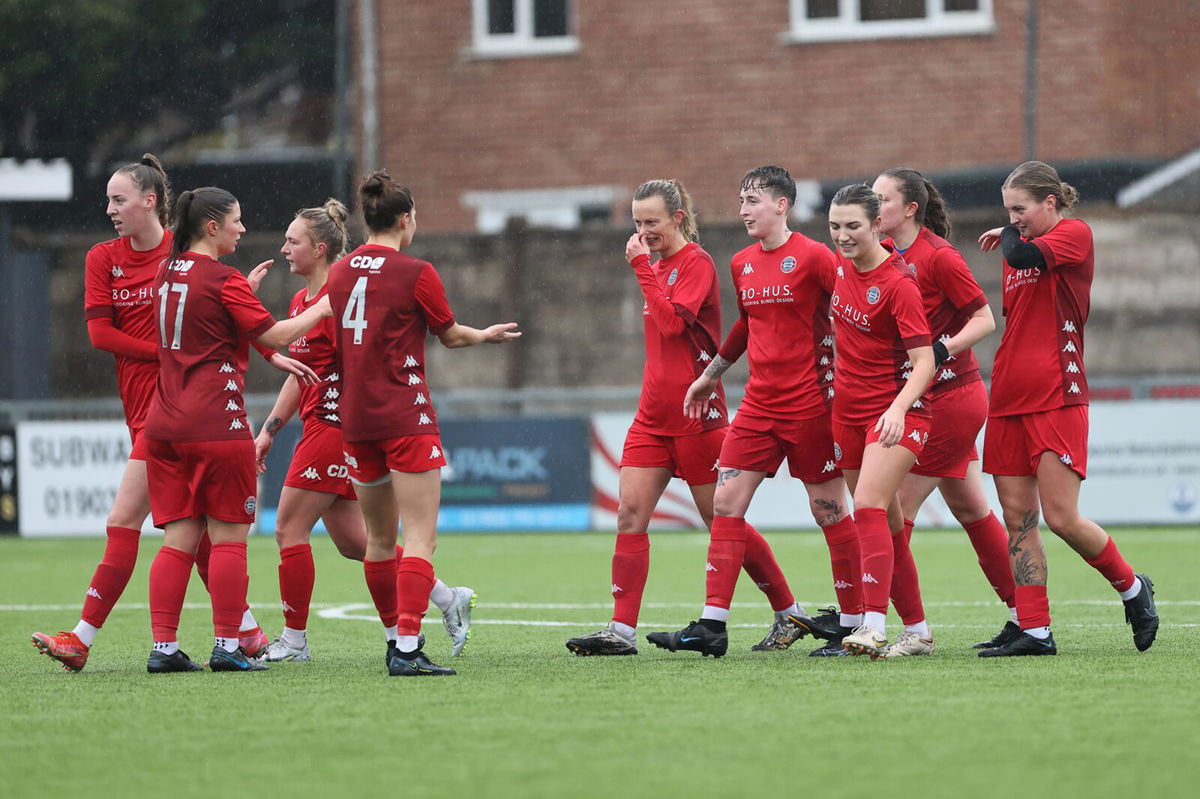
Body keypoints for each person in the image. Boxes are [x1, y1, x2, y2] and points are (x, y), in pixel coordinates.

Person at [30, 156, 301, 672]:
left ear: (150, 201)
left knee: (133, 523)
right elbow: (101, 335)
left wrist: (255, 347)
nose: (110, 209)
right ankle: (243, 633)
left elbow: (220, 314)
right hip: (154, 408)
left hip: (173, 411)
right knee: (195, 531)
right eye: (109, 200)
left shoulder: (181, 252)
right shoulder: (103, 258)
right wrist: (177, 351)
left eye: (118, 199)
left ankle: (83, 638)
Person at [566, 180, 815, 656]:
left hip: (698, 415)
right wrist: (648, 268)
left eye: (652, 222)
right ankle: (620, 632)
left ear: (678, 218)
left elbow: (672, 324)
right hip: (651, 417)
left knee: (721, 517)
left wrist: (641, 268)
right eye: (638, 223)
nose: (643, 232)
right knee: (629, 514)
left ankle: (788, 609)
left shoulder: (695, 264)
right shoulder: (657, 267)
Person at [646, 166, 861, 659]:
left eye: (753, 200)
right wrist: (712, 374)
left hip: (812, 406)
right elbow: (746, 325)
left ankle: (851, 624)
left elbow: (853, 308)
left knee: (828, 511)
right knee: (725, 503)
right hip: (758, 407)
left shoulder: (815, 257)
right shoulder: (741, 262)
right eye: (741, 200)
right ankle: (712, 625)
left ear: (782, 205)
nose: (743, 209)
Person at [253, 200, 476, 662]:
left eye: (292, 241)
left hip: (337, 426)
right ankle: (446, 599)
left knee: (288, 528)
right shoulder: (302, 301)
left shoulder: (340, 300)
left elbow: (357, 364)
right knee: (358, 543)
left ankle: (294, 641)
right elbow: (301, 373)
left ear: (320, 249)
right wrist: (271, 428)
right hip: (322, 423)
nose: (284, 248)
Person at [326, 170, 519, 677]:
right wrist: (487, 335)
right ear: (406, 219)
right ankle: (408, 649)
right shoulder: (415, 271)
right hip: (404, 415)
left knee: (377, 540)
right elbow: (450, 336)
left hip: (355, 418)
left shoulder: (341, 271)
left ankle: (394, 638)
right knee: (419, 538)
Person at [143, 186, 332, 673]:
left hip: (163, 424)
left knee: (179, 540)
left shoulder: (167, 274)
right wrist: (326, 305)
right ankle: (228, 645)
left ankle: (164, 649)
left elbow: (205, 325)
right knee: (229, 539)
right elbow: (277, 334)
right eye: (236, 221)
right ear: (212, 227)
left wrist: (240, 296)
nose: (242, 228)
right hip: (214, 422)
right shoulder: (221, 279)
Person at [976, 161, 1158, 656]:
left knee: (1061, 517)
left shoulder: (1074, 233)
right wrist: (1012, 229)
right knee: (1019, 520)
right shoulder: (1020, 248)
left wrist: (1010, 232)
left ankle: (1133, 589)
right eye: (1008, 209)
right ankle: (1035, 630)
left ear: (1050, 203)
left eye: (1021, 208)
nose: (1013, 218)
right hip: (1009, 397)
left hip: (1057, 394)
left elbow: (1025, 253)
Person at [870, 167, 1015, 657]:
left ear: (910, 208)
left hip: (950, 399)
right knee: (972, 509)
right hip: (923, 398)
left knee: (891, 512)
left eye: (882, 199)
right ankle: (1026, 617)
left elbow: (985, 318)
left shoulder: (937, 255)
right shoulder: (883, 254)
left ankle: (912, 631)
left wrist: (941, 350)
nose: (873, 207)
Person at [823, 184, 936, 659]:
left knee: (867, 505)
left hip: (897, 414)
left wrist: (897, 408)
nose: (843, 236)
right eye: (835, 226)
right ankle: (919, 631)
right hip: (846, 416)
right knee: (886, 525)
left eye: (853, 226)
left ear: (876, 226)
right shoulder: (840, 268)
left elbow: (926, 362)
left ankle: (872, 625)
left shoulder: (898, 284)